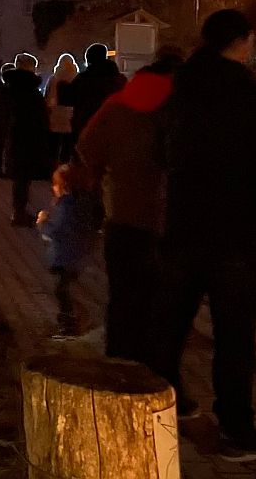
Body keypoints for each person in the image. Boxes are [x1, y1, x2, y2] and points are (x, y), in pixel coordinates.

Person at [150, 10, 256, 462]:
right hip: (237, 234)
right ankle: (236, 429)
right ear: (245, 42)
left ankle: (160, 408)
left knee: (171, 326)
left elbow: (160, 153)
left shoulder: (179, 93)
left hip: (182, 227)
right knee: (234, 337)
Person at [76, 47, 183, 363]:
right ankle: (158, 372)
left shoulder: (118, 105)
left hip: (122, 213)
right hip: (170, 218)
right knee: (165, 300)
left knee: (123, 295)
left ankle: (120, 364)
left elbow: (87, 147)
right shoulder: (182, 106)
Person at [37, 162, 103, 337]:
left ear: (64, 186)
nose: (53, 188)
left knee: (61, 290)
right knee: (64, 288)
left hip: (66, 257)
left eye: (56, 184)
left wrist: (43, 223)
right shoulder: (79, 204)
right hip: (74, 256)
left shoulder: (67, 206)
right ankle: (75, 318)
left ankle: (69, 324)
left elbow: (58, 230)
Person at [5, 53, 51, 226]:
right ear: (30, 68)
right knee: (23, 177)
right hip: (29, 137)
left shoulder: (10, 87)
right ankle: (19, 214)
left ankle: (19, 211)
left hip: (15, 135)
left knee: (20, 177)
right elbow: (38, 116)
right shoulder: (30, 90)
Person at [67, 43, 127, 142]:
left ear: (89, 58)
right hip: (112, 124)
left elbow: (70, 99)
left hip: (85, 124)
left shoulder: (83, 79)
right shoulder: (119, 79)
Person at [45, 53, 78, 163]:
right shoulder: (76, 79)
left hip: (55, 114)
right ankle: (64, 167)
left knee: (53, 145)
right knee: (67, 145)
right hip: (70, 115)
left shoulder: (53, 79)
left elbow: (47, 96)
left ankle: (52, 167)